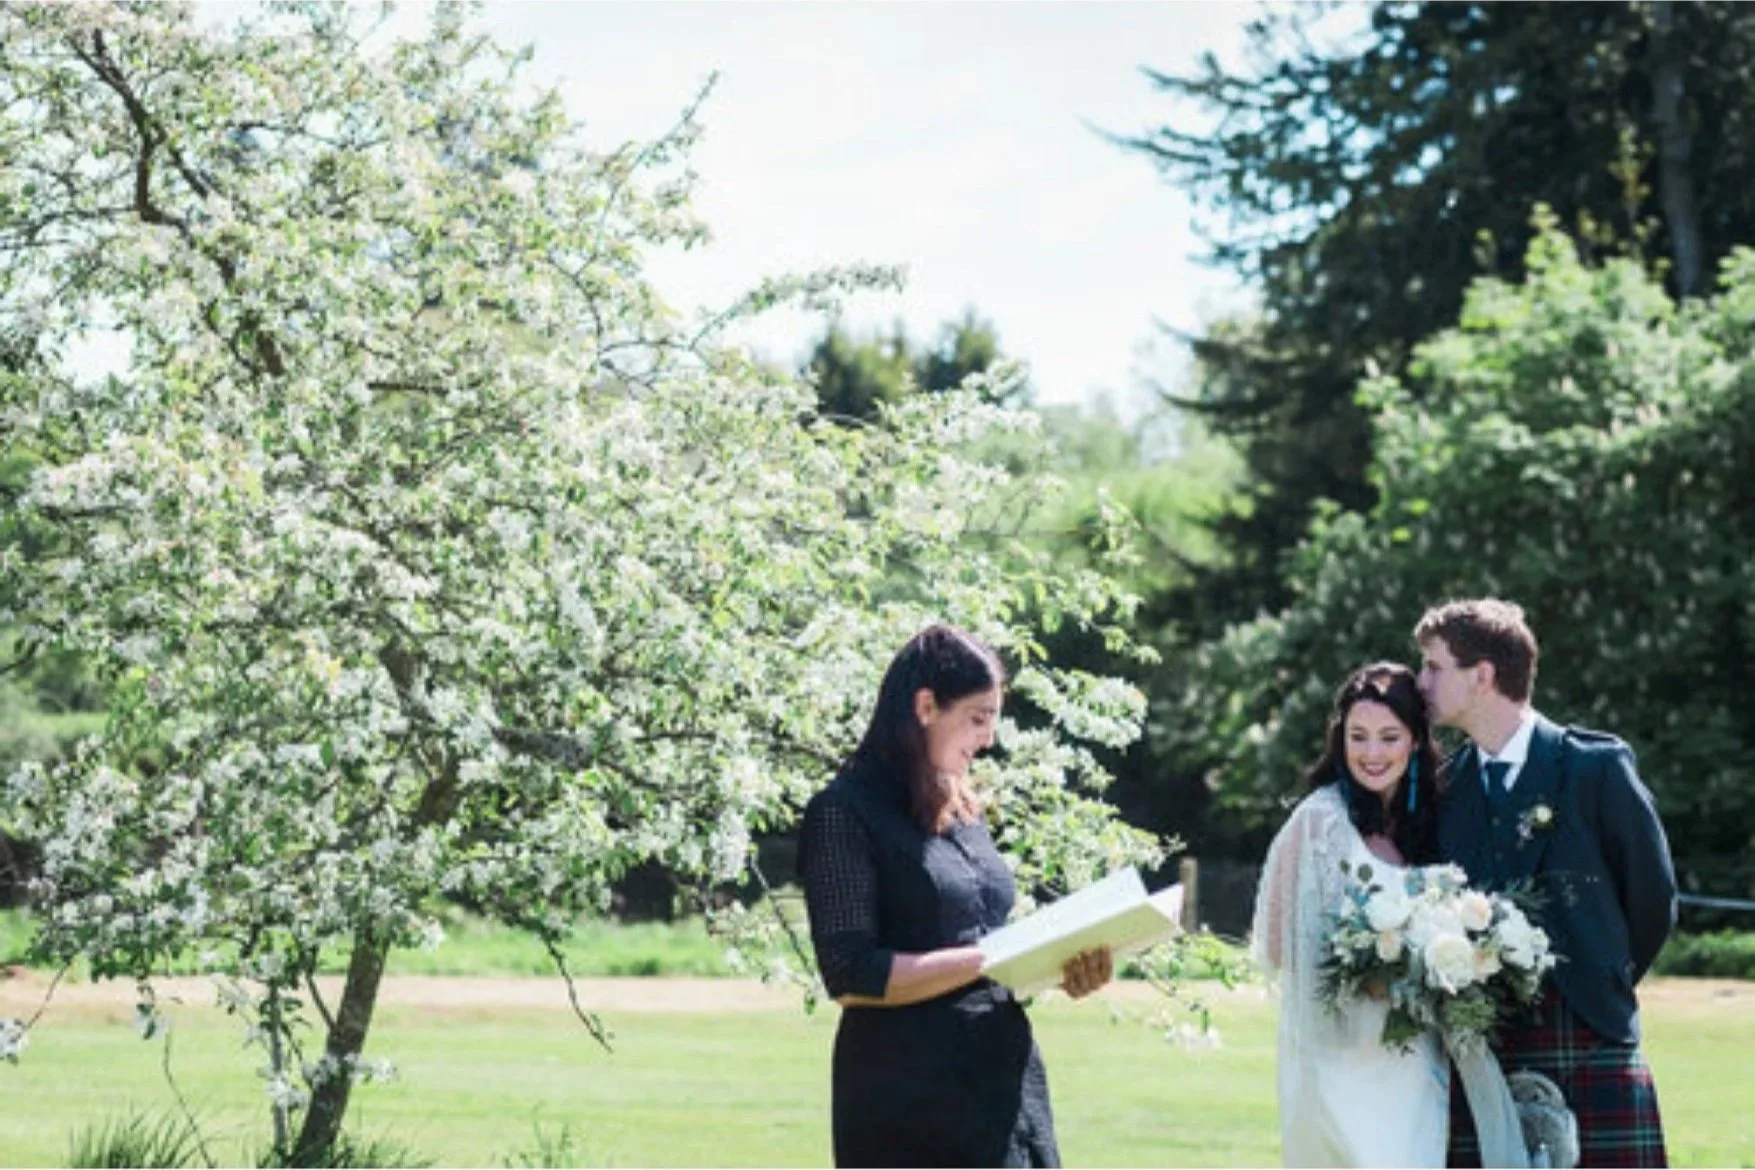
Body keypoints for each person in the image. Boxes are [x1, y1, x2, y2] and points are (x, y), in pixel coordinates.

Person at [796, 624, 1112, 1169]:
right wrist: (989, 959)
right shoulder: (843, 812)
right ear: (925, 706)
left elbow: (981, 944)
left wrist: (1058, 968)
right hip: (907, 1102)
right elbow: (850, 974)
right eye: (978, 717)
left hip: (1004, 1086)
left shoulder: (964, 808)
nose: (989, 738)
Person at [1414, 599, 1676, 1168]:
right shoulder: (1445, 789)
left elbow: (1654, 899)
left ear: (1481, 675)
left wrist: (1599, 978)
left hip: (1590, 1035)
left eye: (1434, 667)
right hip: (1484, 1045)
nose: (1421, 681)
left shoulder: (1593, 769)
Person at [1252, 662, 1449, 1168]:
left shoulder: (1439, 819)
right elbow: (1276, 944)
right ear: (1340, 741)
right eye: (1358, 737)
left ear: (1415, 740)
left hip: (1414, 1063)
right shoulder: (1317, 822)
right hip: (1336, 1064)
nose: (1372, 753)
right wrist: (1360, 970)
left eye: (1389, 737)